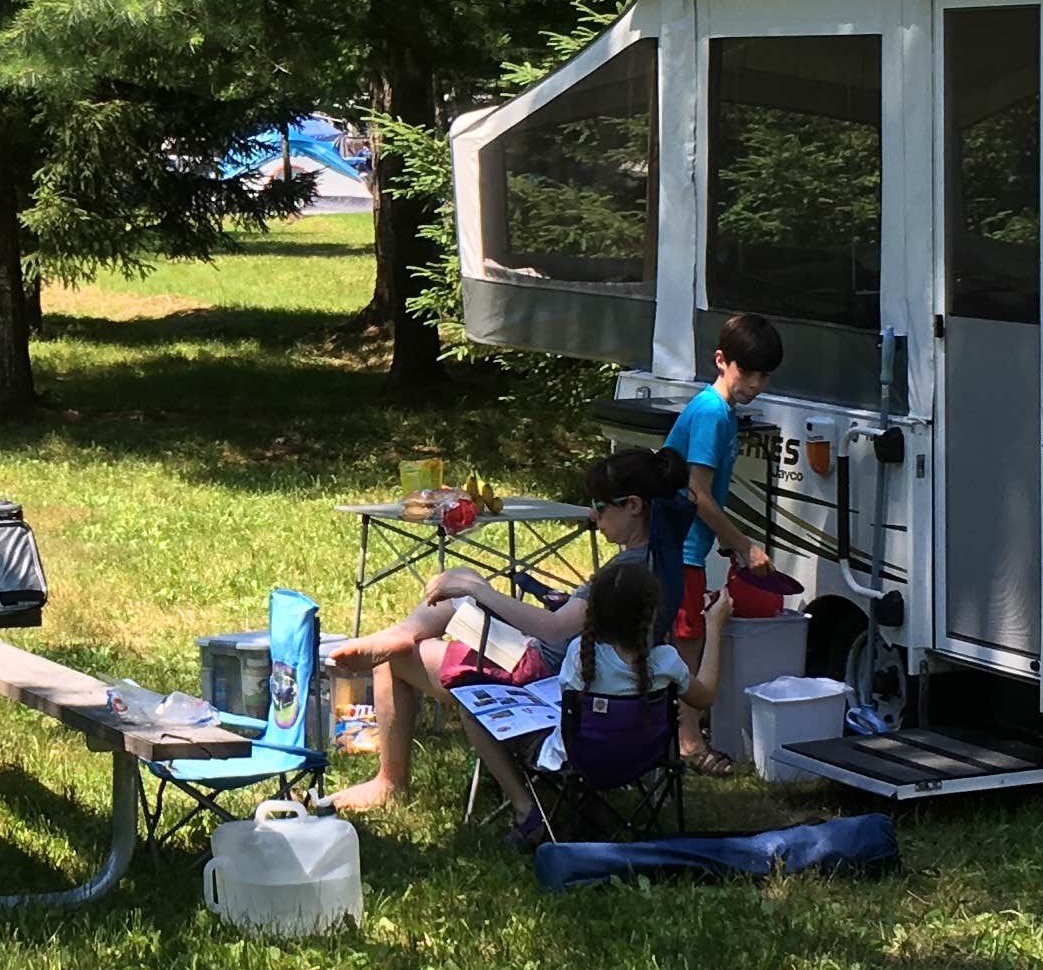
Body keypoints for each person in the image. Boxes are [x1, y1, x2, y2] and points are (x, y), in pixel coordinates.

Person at [329, 448, 665, 815]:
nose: (591, 514)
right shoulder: (667, 562)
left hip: (540, 676)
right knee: (462, 581)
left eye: (601, 507)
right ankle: (402, 631)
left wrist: (480, 593)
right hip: (562, 668)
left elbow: (554, 630)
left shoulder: (623, 575)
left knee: (394, 659)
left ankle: (389, 782)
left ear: (633, 505)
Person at [443, 551, 688, 850]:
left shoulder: (580, 655)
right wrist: (714, 627)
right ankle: (584, 808)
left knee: (472, 711)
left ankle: (526, 809)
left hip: (577, 757)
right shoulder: (668, 662)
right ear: (653, 613)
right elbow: (706, 694)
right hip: (643, 757)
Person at [667, 313, 784, 773]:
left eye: (765, 375)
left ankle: (679, 733)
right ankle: (689, 741)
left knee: (684, 640)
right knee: (688, 644)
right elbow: (697, 494)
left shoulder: (722, 412)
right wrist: (743, 544)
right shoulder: (714, 414)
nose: (756, 383)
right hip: (680, 548)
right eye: (748, 372)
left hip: (687, 545)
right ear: (721, 361)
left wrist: (725, 539)